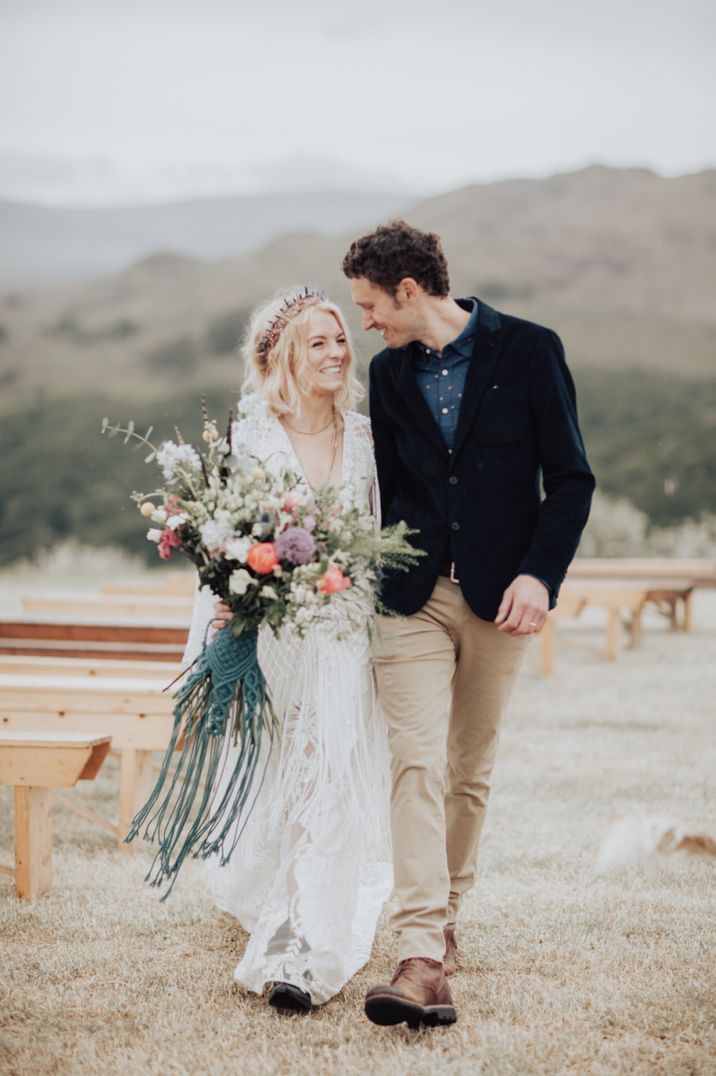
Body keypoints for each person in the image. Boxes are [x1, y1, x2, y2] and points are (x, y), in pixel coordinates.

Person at [342, 220, 595, 1028]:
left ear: (409, 291)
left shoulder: (530, 350)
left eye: (371, 305)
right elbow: (379, 483)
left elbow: (572, 480)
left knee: (467, 766)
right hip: (407, 599)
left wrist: (539, 575)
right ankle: (418, 953)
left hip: (502, 597)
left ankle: (446, 918)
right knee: (414, 763)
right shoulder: (387, 375)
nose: (367, 323)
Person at [183, 287, 392, 1013]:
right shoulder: (252, 436)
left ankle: (303, 952)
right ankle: (275, 891)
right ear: (281, 357)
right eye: (319, 342)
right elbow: (225, 542)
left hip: (343, 631)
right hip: (275, 632)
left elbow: (382, 535)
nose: (337, 352)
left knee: (326, 768)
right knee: (281, 769)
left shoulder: (369, 438)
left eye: (342, 339)